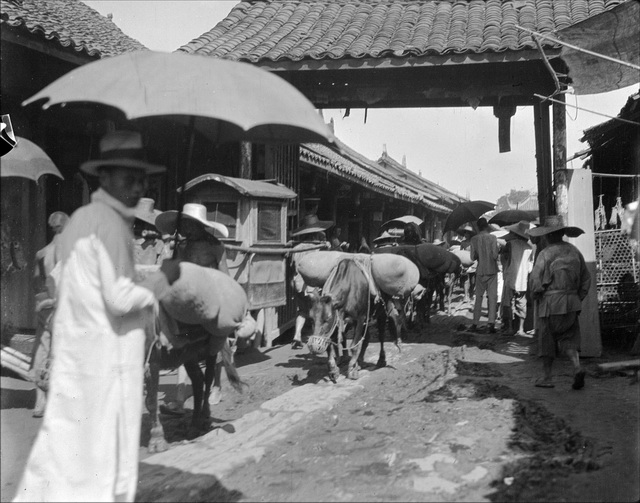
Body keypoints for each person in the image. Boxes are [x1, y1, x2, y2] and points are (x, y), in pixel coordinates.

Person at [14, 130, 181, 503]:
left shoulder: (85, 221)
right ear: (104, 178)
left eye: (142, 180)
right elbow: (120, 298)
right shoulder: (107, 226)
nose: (136, 187)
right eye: (128, 178)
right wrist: (164, 278)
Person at [156, 203, 230, 407]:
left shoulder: (216, 246)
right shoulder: (181, 246)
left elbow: (225, 275)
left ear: (199, 225)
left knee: (213, 346)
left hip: (210, 298)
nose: (185, 228)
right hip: (188, 300)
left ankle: (216, 387)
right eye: (184, 224)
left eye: (189, 224)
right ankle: (180, 394)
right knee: (182, 342)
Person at [528, 215, 590, 390]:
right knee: (569, 338)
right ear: (562, 233)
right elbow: (586, 279)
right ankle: (577, 368)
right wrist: (578, 297)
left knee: (546, 340)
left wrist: (536, 295)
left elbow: (535, 279)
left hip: (550, 304)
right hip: (571, 303)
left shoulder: (545, 254)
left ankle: (547, 378)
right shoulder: (574, 252)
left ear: (547, 235)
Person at [30, 211, 69, 417]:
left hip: (46, 306)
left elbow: (37, 283)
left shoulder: (42, 252)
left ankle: (39, 402)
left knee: (42, 349)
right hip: (66, 306)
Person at [288, 213, 333, 349]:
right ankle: (316, 336)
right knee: (318, 312)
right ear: (315, 233)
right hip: (311, 285)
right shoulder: (318, 248)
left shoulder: (295, 248)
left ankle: (296, 335)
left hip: (298, 283)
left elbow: (292, 267)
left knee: (302, 311)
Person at [500, 221, 533, 336]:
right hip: (523, 280)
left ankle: (509, 327)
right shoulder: (529, 247)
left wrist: (505, 268)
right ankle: (521, 329)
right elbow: (530, 267)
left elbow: (504, 258)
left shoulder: (510, 244)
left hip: (510, 277)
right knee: (521, 303)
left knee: (508, 302)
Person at [467, 217, 499, 333]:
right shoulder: (493, 238)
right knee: (492, 297)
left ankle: (475, 323)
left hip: (480, 271)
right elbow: (495, 256)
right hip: (492, 271)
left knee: (478, 298)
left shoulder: (474, 239)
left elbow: (472, 257)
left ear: (478, 227)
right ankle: (491, 323)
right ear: (486, 226)